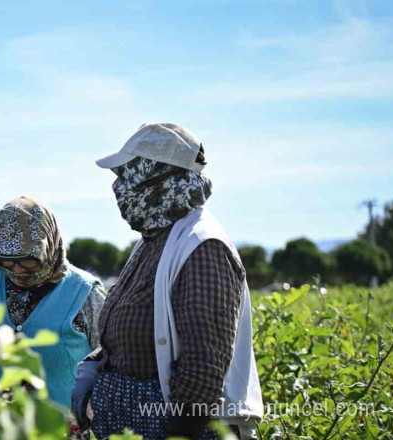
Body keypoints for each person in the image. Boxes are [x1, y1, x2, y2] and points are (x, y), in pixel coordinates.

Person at [70, 123, 263, 440]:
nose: (118, 187)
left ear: (153, 177)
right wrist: (97, 364)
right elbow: (136, 330)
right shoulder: (155, 239)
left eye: (125, 175)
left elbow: (201, 374)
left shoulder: (203, 247)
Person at [0, 196, 106, 407]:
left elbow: (107, 364)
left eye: (27, 259)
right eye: (7, 258)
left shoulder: (85, 292)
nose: (16, 269)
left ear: (48, 246)